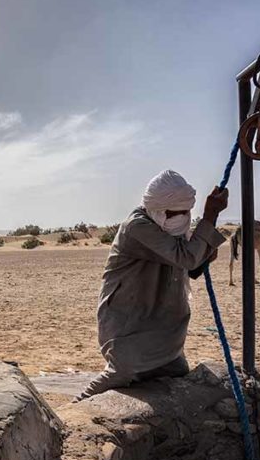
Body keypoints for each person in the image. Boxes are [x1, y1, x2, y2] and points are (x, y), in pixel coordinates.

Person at [75, 170, 229, 401]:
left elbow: (192, 267)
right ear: (159, 210)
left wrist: (205, 251)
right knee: (123, 371)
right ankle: (76, 410)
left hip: (166, 329)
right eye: (178, 213)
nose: (184, 218)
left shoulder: (170, 227)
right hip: (130, 324)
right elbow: (185, 258)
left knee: (176, 373)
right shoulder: (137, 226)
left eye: (187, 212)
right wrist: (210, 218)